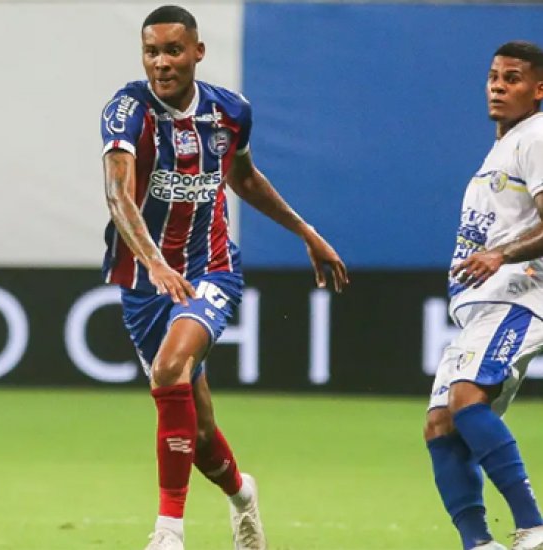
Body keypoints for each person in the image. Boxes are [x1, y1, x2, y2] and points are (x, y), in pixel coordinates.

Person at [99, 5, 350, 549]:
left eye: (173, 50)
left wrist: (305, 230)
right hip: (146, 282)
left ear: (197, 52)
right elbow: (118, 194)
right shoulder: (127, 111)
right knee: (200, 431)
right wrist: (154, 262)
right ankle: (242, 495)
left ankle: (168, 532)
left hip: (210, 268)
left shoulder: (229, 112)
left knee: (169, 369)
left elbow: (245, 179)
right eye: (151, 52)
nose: (161, 63)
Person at [425, 41, 543, 550]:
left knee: (466, 399)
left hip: (521, 293)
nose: (498, 86)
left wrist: (501, 254)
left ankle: (533, 526)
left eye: (512, 78)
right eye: (494, 76)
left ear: (538, 89)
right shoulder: (503, 146)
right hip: (482, 305)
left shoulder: (536, 137)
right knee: (440, 425)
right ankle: (480, 543)